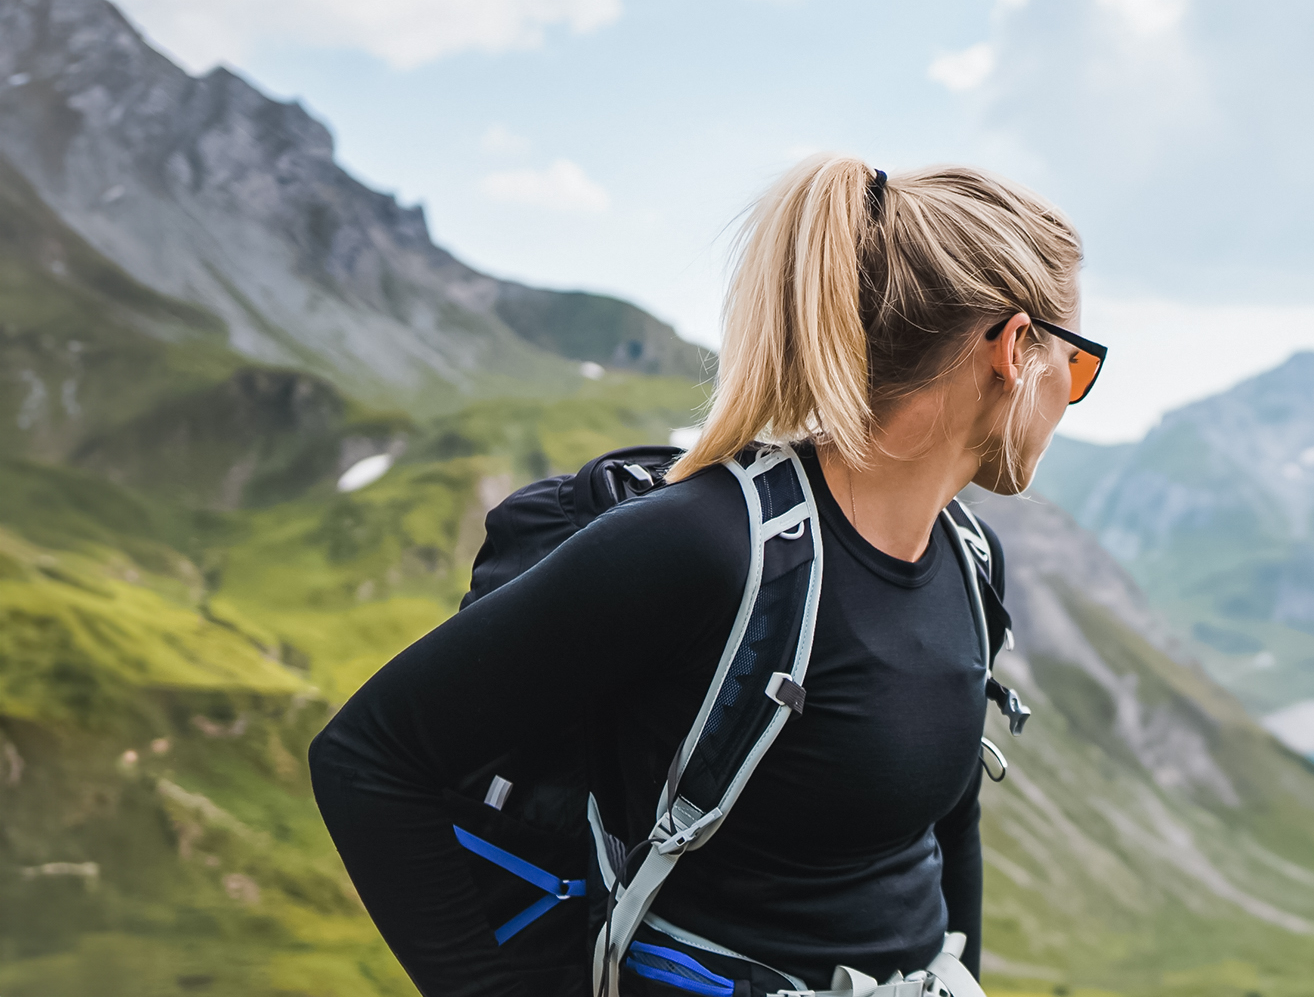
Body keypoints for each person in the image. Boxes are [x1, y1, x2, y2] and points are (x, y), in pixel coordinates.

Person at [309, 154, 1099, 997]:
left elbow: (946, 828)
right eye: (1080, 365)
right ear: (1015, 349)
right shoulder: (708, 547)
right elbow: (370, 759)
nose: (1073, 394)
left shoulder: (969, 558)